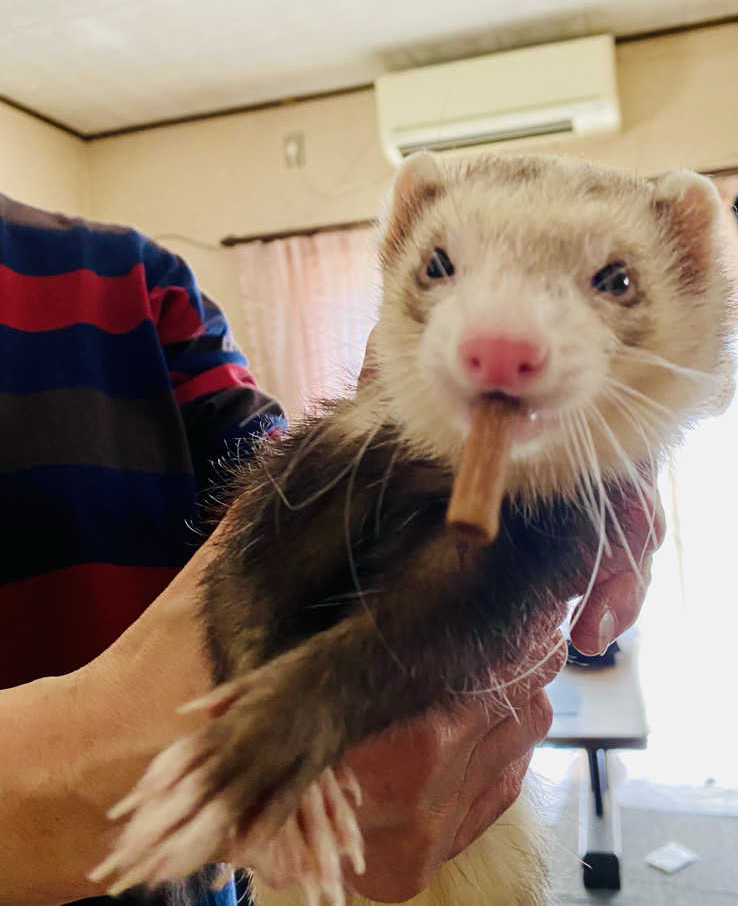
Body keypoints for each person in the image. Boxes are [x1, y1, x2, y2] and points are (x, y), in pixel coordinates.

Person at [0, 191, 663, 905]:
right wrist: (83, 774)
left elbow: (280, 497)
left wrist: (418, 448)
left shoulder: (137, 281)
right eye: (441, 267)